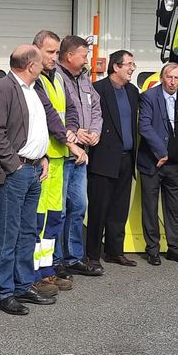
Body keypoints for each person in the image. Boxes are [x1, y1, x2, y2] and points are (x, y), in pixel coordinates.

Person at [0, 45, 55, 315]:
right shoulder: (2, 87)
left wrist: (42, 156)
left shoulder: (34, 89)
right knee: (9, 234)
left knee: (27, 231)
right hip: (17, 171)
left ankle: (23, 285)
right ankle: (4, 292)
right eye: (41, 59)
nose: (46, 62)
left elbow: (34, 128)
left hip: (34, 169)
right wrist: (15, 166)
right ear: (31, 65)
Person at [30, 30, 83, 296]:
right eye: (50, 52)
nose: (54, 57)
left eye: (56, 52)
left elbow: (70, 109)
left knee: (54, 218)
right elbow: (49, 116)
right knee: (38, 222)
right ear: (36, 50)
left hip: (60, 158)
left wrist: (72, 129)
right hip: (44, 161)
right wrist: (69, 139)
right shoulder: (35, 80)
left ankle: (48, 270)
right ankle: (35, 274)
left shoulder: (58, 78)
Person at [137, 62, 178, 266]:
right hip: (153, 162)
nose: (172, 82)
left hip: (176, 164)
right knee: (150, 208)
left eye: (177, 78)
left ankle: (174, 249)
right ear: (162, 77)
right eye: (169, 77)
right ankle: (152, 250)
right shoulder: (148, 97)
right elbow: (144, 126)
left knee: (173, 209)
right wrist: (160, 152)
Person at [86, 50, 140, 268]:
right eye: (128, 64)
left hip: (126, 158)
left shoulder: (133, 91)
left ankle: (114, 251)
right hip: (103, 158)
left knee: (120, 207)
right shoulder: (98, 90)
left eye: (133, 64)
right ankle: (91, 255)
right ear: (116, 66)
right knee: (99, 208)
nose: (132, 68)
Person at [55, 35, 103, 277]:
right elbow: (53, 113)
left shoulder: (84, 78)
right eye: (83, 55)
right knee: (60, 210)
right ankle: (55, 261)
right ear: (69, 56)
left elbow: (96, 106)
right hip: (62, 153)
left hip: (81, 155)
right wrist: (74, 133)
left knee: (78, 207)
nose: (87, 60)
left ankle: (73, 257)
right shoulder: (54, 77)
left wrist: (94, 131)